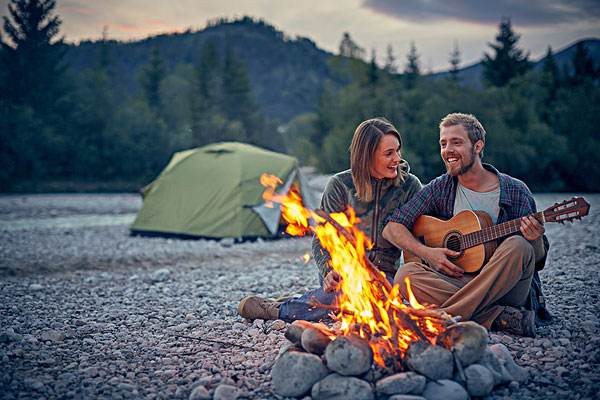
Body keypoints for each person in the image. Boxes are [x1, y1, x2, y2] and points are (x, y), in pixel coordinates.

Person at [382, 112, 551, 337]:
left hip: (507, 288)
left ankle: (443, 318)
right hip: (458, 280)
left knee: (518, 246)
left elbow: (536, 261)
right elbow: (392, 227)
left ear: (478, 146)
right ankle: (497, 317)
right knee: (406, 274)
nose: (448, 150)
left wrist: (535, 238)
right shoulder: (441, 187)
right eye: (443, 143)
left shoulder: (515, 191)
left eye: (457, 142)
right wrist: (428, 253)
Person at [238, 117, 423, 321]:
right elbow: (321, 239)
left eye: (398, 150)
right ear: (366, 156)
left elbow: (426, 228)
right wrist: (329, 270)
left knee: (377, 305)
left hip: (385, 276)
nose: (397, 158)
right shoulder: (340, 185)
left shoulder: (409, 186)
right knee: (347, 294)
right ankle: (275, 310)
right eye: (389, 153)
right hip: (341, 273)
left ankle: (297, 303)